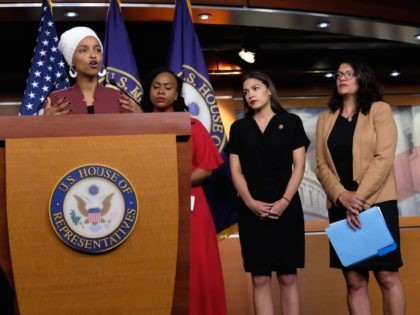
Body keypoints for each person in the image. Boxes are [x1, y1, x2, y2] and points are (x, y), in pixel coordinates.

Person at [315, 57, 405, 314]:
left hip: (377, 204)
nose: (341, 77)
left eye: (349, 73)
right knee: (354, 281)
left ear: (362, 78)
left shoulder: (379, 110)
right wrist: (342, 196)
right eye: (338, 74)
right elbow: (320, 165)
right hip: (340, 207)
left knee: (387, 276)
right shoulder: (325, 119)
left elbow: (384, 158)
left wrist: (359, 198)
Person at [141, 67, 228, 315]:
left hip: (192, 206)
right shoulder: (137, 126)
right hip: (152, 206)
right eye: (156, 86)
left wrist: (173, 184)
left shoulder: (192, 125)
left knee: (196, 267)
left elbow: (206, 169)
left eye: (168, 87)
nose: (161, 91)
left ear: (177, 93)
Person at [225, 71, 309, 315]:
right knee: (259, 279)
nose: (250, 94)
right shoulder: (239, 128)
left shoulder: (291, 122)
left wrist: (283, 201)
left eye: (255, 88)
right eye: (246, 91)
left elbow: (299, 166)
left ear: (269, 90)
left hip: (287, 208)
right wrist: (250, 203)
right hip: (251, 210)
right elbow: (236, 172)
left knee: (288, 276)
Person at [42, 26, 140, 115]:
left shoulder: (120, 98)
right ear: (71, 61)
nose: (93, 55)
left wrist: (140, 116)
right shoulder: (57, 99)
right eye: (83, 50)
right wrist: (46, 122)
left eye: (98, 50)